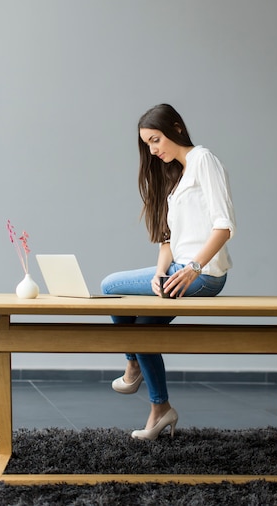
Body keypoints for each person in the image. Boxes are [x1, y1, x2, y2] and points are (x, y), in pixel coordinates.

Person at [101, 103, 236, 441]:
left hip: (203, 275)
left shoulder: (204, 160)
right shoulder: (175, 178)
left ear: (176, 128)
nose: (153, 150)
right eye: (147, 144)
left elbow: (225, 226)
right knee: (145, 331)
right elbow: (168, 241)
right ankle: (161, 410)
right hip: (178, 271)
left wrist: (193, 268)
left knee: (110, 285)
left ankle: (132, 366)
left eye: (155, 139)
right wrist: (159, 274)